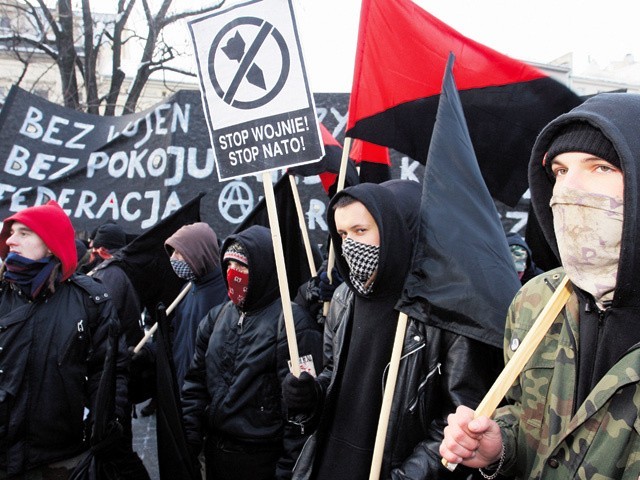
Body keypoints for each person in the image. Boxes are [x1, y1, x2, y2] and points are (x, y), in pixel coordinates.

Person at [439, 93, 640, 479]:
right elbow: (524, 413)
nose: (569, 189)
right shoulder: (536, 301)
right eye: (561, 171)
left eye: (600, 167)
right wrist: (501, 445)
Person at [283, 180, 502, 479]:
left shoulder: (442, 311)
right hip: (327, 462)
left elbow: (458, 419)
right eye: (343, 234)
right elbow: (334, 376)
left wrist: (405, 477)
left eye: (361, 231)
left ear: (391, 231)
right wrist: (310, 397)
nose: (350, 245)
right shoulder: (344, 298)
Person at [181, 225, 323, 480]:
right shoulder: (217, 316)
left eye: (244, 268)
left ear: (264, 269)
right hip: (216, 455)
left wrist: (289, 469)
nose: (235, 274)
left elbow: (301, 410)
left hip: (261, 462)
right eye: (229, 266)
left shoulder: (293, 325)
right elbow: (195, 383)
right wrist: (189, 436)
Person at [0, 200, 129, 478]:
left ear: (50, 244)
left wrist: (105, 421)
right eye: (11, 232)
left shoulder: (91, 301)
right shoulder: (2, 294)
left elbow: (108, 371)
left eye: (24, 233)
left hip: (62, 461)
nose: (11, 240)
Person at [164, 221, 229, 388]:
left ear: (199, 253)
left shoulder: (227, 294)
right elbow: (177, 337)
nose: (173, 259)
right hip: (180, 386)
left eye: (180, 253)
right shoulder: (186, 290)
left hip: (205, 393)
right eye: (172, 252)